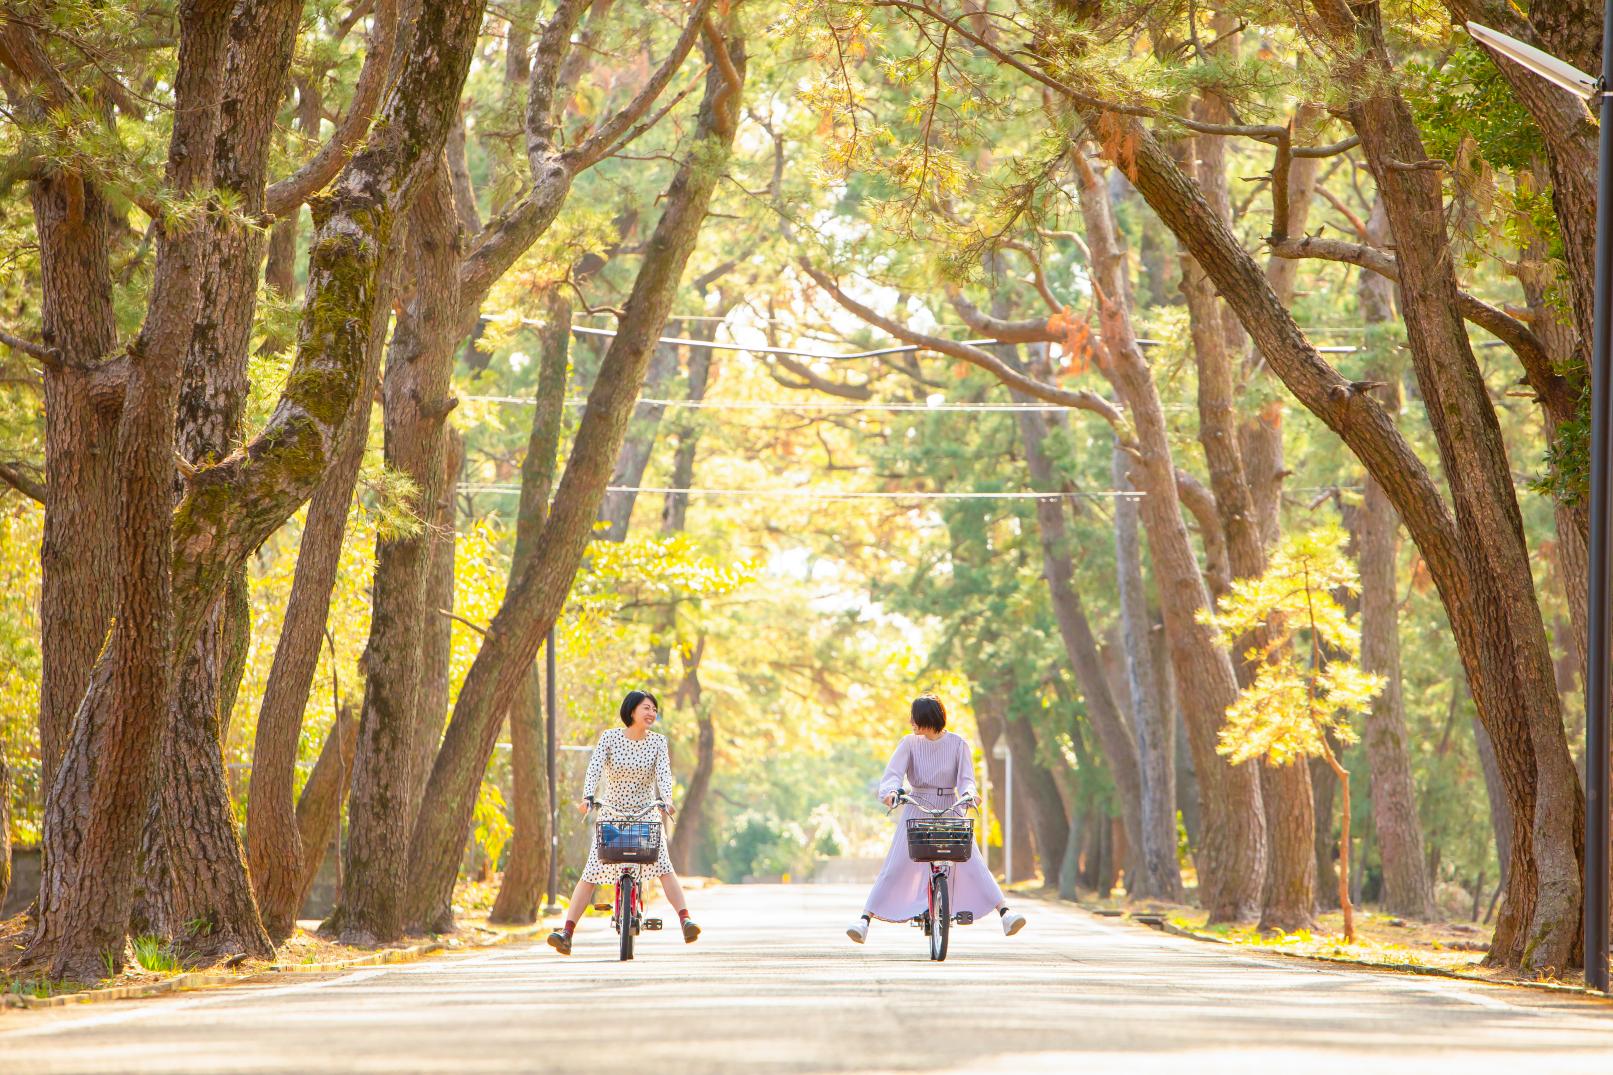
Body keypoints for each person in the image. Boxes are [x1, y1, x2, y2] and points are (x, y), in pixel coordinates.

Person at [847, 693, 1026, 943]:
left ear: (927, 719)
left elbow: (966, 780)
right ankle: (864, 920)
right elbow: (893, 775)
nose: (911, 722)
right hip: (916, 805)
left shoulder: (957, 743)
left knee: (972, 860)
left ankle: (1005, 912)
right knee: (896, 864)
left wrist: (970, 795)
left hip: (951, 806)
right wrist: (890, 794)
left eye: (915, 717)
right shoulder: (909, 743)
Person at [546, 690, 700, 954]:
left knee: (663, 864)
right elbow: (595, 767)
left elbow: (663, 773)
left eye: (654, 708)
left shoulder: (658, 743)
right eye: (646, 708)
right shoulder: (610, 738)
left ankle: (685, 920)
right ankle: (567, 932)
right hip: (613, 813)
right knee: (591, 871)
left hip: (645, 813)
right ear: (631, 711)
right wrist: (588, 796)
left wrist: (667, 799)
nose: (652, 713)